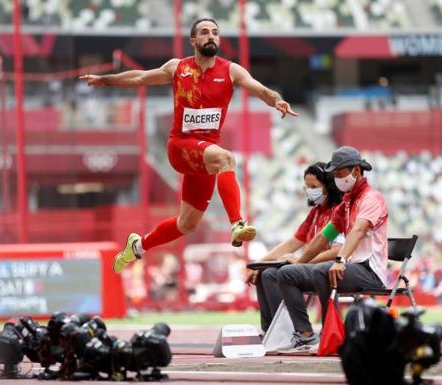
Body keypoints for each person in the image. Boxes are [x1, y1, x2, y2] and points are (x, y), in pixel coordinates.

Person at [80, 18, 298, 272]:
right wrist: (105, 80)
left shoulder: (231, 71)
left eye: (215, 33)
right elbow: (139, 78)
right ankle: (237, 223)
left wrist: (277, 101)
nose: (211, 36)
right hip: (181, 147)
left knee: (187, 224)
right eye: (205, 32)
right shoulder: (178, 68)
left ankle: (137, 247)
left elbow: (262, 91)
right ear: (194, 41)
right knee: (227, 159)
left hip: (205, 156)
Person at [281, 146, 388, 352]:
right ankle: (305, 336)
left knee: (324, 270)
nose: (337, 179)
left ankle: (330, 334)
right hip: (349, 267)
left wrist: (340, 260)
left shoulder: (371, 198)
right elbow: (323, 238)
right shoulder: (346, 203)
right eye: (335, 174)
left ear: (356, 171)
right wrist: (300, 261)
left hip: (369, 270)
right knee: (287, 273)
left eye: (340, 174)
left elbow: (358, 231)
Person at [245, 162, 344, 334]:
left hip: (327, 270)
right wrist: (259, 264)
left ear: (328, 186)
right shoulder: (315, 212)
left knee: (279, 273)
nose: (309, 190)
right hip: (308, 267)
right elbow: (293, 242)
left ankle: (298, 331)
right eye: (307, 186)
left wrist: (300, 261)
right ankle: (273, 332)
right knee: (265, 272)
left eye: (314, 186)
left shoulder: (338, 212)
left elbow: (337, 251)